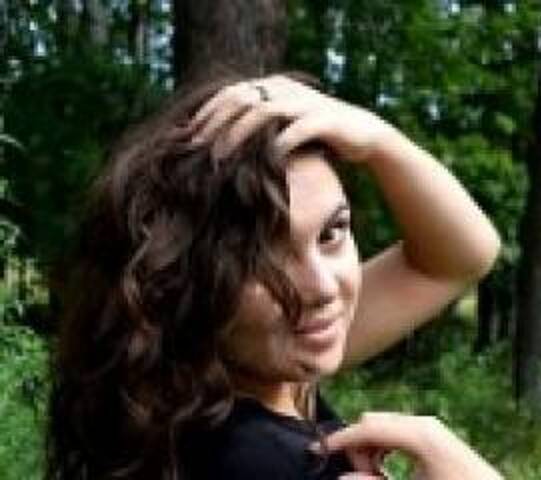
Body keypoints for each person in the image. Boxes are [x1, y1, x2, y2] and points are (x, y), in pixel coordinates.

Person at [46, 72, 502, 480]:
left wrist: (376, 139)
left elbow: (458, 259)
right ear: (185, 280)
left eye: (332, 233)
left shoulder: (191, 382)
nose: (323, 289)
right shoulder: (273, 461)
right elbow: (456, 263)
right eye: (263, 260)